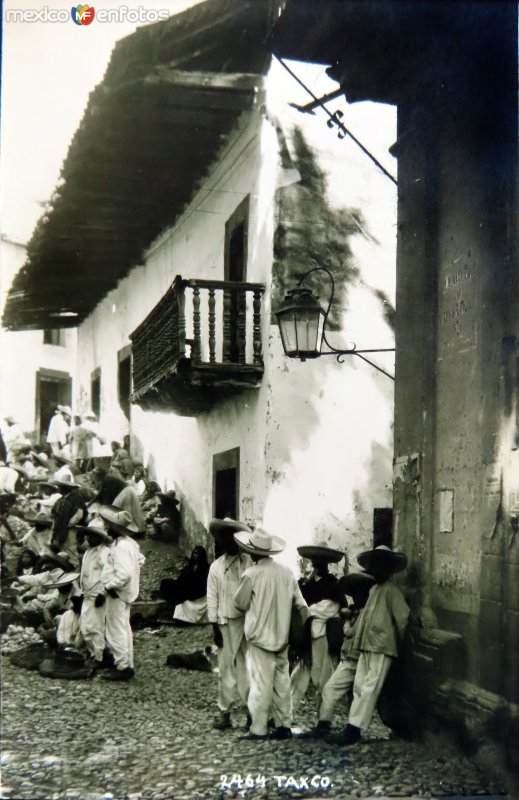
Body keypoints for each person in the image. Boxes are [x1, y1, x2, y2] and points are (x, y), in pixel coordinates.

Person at [326, 545, 409, 746]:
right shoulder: (374, 590)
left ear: (389, 569)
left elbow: (403, 618)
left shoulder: (392, 592)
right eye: (375, 566)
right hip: (365, 644)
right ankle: (352, 725)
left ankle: (355, 728)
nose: (377, 570)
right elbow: (365, 620)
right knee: (359, 686)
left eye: (382, 566)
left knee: (370, 687)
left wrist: (398, 642)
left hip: (382, 646)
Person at [234, 528, 308, 740]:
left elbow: (239, 604)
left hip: (260, 638)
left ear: (253, 553)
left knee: (261, 684)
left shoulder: (251, 574)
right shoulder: (286, 573)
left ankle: (258, 728)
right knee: (282, 683)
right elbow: (301, 604)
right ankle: (284, 724)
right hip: (282, 637)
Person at [309, 571, 376, 737]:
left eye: (359, 593)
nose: (356, 597)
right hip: (349, 660)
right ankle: (326, 725)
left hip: (359, 659)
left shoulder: (366, 613)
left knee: (351, 694)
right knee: (333, 690)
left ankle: (350, 729)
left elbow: (352, 633)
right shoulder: (353, 613)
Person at [207, 518, 253, 730]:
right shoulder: (216, 568)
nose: (229, 542)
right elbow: (212, 598)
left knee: (248, 667)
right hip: (225, 622)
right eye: (225, 538)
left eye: (233, 538)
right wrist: (214, 626)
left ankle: (253, 711)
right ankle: (224, 711)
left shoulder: (248, 564)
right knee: (226, 668)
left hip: (246, 621)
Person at [290, 543, 346, 717]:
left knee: (323, 677)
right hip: (307, 638)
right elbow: (298, 605)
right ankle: (284, 716)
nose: (316, 564)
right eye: (315, 561)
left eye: (320, 562)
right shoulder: (305, 584)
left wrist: (307, 611)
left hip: (323, 638)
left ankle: (324, 720)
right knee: (299, 676)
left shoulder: (333, 584)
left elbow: (328, 609)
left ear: (327, 564)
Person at [98, 505, 145, 681]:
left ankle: (122, 666)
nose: (106, 528)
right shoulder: (128, 543)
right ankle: (127, 664)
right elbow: (140, 560)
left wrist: (110, 586)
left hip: (117, 593)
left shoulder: (121, 547)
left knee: (116, 629)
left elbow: (124, 574)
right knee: (124, 628)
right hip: (125, 592)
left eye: (108, 525)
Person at [77, 517, 112, 666]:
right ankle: (94, 652)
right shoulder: (88, 552)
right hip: (87, 594)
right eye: (88, 534)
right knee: (85, 625)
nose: (88, 538)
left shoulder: (104, 553)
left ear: (99, 537)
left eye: (92, 535)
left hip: (97, 595)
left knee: (95, 626)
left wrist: (103, 593)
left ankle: (99, 656)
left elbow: (109, 574)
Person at [49, 474, 88, 567]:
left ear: (66, 487)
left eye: (60, 487)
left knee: (71, 553)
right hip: (60, 529)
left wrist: (69, 525)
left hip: (70, 530)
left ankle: (75, 572)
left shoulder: (76, 498)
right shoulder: (60, 500)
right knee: (62, 552)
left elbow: (79, 514)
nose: (59, 488)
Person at [172, 546, 210, 625]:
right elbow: (181, 580)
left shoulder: (206, 569)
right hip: (188, 593)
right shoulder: (189, 567)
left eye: (198, 554)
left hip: (199, 598)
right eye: (195, 553)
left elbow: (202, 588)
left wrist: (186, 595)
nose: (195, 556)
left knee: (183, 604)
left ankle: (187, 620)